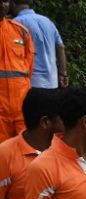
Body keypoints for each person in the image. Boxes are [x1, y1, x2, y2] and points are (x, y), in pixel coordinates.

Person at [11, 2, 66, 88]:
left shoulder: (16, 23)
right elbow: (60, 47)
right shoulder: (47, 21)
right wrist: (63, 74)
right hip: (52, 82)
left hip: (32, 83)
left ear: (13, 4)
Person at [0, 1, 33, 140]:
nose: (3, 5)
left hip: (21, 109)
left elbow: (29, 68)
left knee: (25, 151)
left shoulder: (21, 32)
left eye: (6, 0)